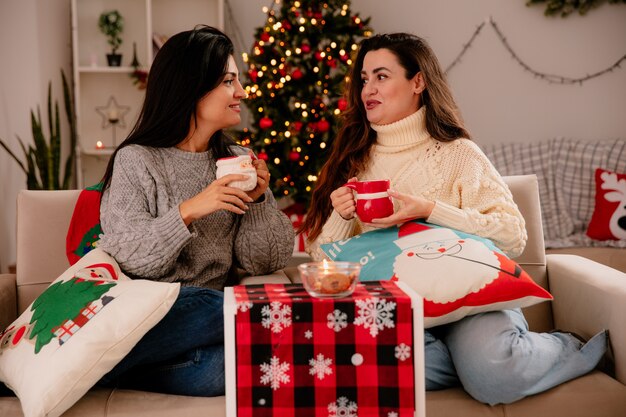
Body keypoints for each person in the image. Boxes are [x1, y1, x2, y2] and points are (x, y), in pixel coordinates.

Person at [302, 33, 607, 405]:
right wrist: (339, 215)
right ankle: (474, 364)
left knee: (497, 377)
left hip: (472, 302)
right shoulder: (352, 159)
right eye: (364, 79)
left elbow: (513, 234)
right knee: (361, 366)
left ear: (418, 82)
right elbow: (323, 263)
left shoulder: (459, 154)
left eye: (381, 76)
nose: (369, 88)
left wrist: (430, 210)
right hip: (402, 309)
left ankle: (565, 345)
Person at [95, 25, 295, 396]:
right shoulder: (137, 160)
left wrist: (259, 202)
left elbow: (265, 261)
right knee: (212, 305)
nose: (241, 92)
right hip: (150, 310)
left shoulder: (236, 159)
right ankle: (103, 363)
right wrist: (189, 210)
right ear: (190, 87)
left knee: (218, 370)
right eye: (227, 81)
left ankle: (109, 371)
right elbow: (129, 256)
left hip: (202, 323)